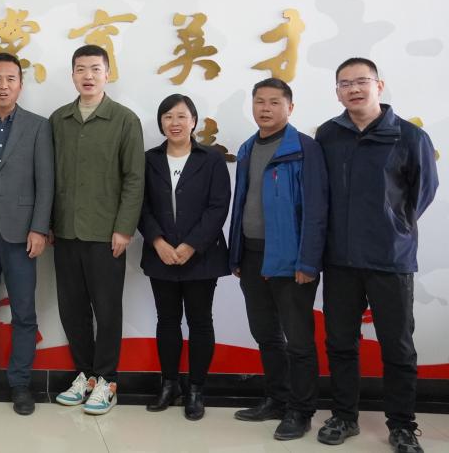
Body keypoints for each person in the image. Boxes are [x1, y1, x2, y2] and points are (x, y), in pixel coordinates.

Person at [315, 58, 438, 453]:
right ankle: (344, 417)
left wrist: (394, 225)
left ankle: (402, 426)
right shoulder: (328, 135)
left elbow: (423, 193)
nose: (353, 89)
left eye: (361, 81)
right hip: (340, 259)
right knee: (340, 343)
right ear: (337, 92)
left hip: (390, 259)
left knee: (397, 346)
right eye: (344, 83)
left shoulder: (409, 136)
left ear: (378, 86)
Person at [228, 78, 327, 441]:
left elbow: (316, 208)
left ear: (290, 107)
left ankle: (301, 411)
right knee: (266, 334)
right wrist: (237, 253)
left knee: (298, 340)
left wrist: (308, 262)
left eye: (274, 102)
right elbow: (243, 202)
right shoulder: (247, 147)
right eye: (259, 101)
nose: (265, 108)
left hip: (291, 260)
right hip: (252, 255)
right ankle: (277, 399)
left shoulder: (304, 148)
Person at [51, 44, 144, 415]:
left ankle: (107, 380)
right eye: (80, 69)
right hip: (65, 232)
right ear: (72, 74)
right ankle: (85, 375)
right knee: (71, 309)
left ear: (108, 73)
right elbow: (49, 175)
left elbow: (134, 178)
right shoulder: (58, 119)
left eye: (95, 69)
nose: (87, 76)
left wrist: (124, 228)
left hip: (106, 234)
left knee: (106, 310)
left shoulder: (124, 120)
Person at [0, 52, 53, 416]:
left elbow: (46, 182)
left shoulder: (38, 126)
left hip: (22, 234)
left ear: (20, 84)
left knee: (24, 313)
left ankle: (20, 384)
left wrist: (40, 228)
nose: (3, 86)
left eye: (11, 79)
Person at [138, 94, 231, 421]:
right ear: (160, 122)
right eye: (167, 117)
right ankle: (169, 384)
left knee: (200, 321)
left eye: (181, 116)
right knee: (167, 321)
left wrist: (191, 245)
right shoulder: (148, 160)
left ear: (193, 121)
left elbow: (218, 206)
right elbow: (140, 205)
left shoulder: (212, 159)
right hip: (160, 254)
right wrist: (158, 241)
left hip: (201, 257)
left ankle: (196, 389)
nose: (174, 123)